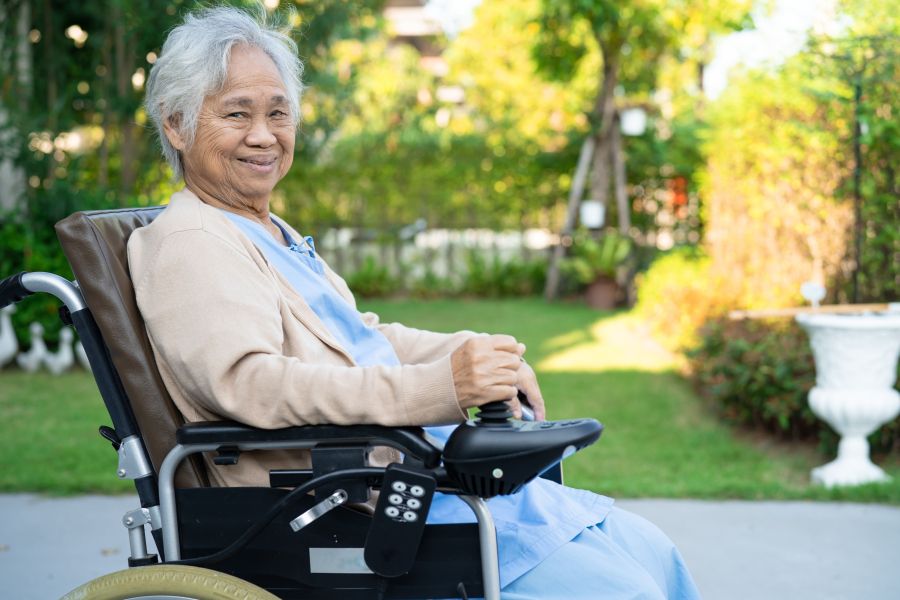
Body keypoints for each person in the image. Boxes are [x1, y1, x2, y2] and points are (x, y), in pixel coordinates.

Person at [129, 6, 700, 599]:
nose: (264, 135)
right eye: (236, 113)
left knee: (651, 551)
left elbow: (361, 336)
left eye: (278, 113)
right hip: (341, 508)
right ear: (176, 125)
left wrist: (473, 353)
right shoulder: (192, 241)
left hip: (411, 478)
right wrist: (438, 387)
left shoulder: (263, 229)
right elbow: (250, 384)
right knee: (622, 588)